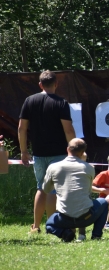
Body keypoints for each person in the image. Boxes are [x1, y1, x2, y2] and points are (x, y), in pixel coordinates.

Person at [18, 70, 76, 233]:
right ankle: (52, 225)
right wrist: (75, 150)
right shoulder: (61, 102)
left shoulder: (29, 101)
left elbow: (22, 128)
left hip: (38, 153)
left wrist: (23, 151)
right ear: (56, 84)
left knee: (41, 188)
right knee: (54, 189)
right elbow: (69, 130)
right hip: (58, 153)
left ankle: (35, 226)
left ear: (40, 85)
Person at [43, 138, 108, 242]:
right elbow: (87, 190)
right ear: (83, 153)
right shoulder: (89, 168)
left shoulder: (53, 167)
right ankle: (96, 235)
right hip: (86, 217)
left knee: (49, 225)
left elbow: (46, 189)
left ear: (67, 149)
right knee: (104, 202)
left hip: (64, 219)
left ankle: (66, 234)